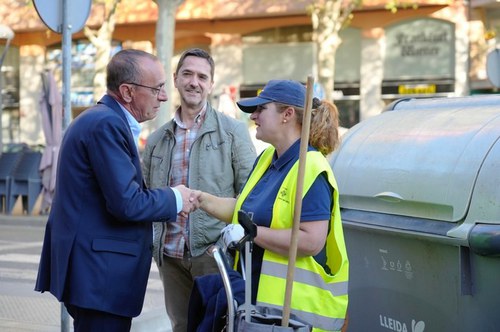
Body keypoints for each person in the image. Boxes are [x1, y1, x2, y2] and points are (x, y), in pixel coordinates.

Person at [34, 49, 199, 332]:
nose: (164, 97)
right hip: (100, 277)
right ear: (127, 91)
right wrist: (176, 197)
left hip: (95, 274)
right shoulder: (106, 124)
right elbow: (127, 203)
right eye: (157, 88)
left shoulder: (101, 120)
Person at [195, 79, 349, 332]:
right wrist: (201, 199)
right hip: (259, 307)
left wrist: (251, 234)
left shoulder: (311, 169)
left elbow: (311, 242)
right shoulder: (268, 158)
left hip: (295, 316)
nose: (253, 115)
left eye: (261, 109)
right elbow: (245, 212)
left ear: (287, 115)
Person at [141, 48, 256, 332]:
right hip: (170, 256)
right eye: (188, 74)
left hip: (215, 255)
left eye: (202, 76)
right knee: (181, 326)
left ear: (211, 84)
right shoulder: (157, 140)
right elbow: (145, 197)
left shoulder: (232, 132)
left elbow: (251, 196)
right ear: (176, 79)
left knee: (219, 325)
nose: (195, 82)